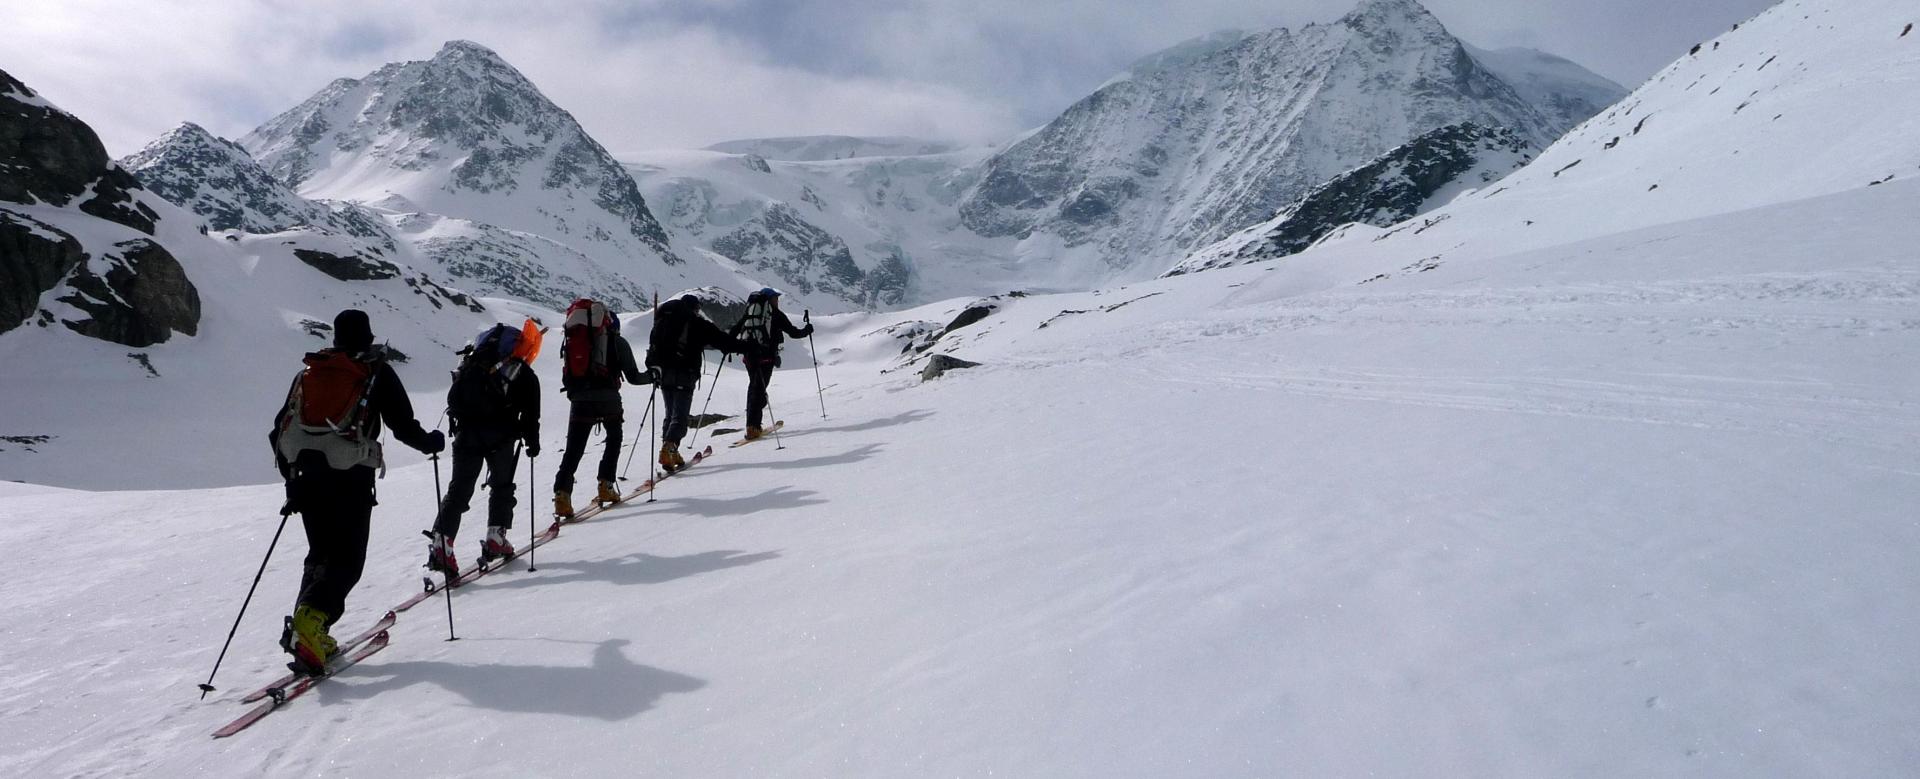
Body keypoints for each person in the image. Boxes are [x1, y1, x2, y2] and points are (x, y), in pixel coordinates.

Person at [270, 309, 444, 672]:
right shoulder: (374, 371)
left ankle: (310, 631)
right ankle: (311, 622)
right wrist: (432, 443)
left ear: (335, 337)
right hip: (349, 476)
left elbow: (278, 428)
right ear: (367, 335)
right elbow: (402, 425)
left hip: (306, 476)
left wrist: (292, 481)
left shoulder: (311, 371)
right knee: (347, 559)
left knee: (320, 554)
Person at [426, 322, 541, 577]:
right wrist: (533, 442)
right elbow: (531, 415)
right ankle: (496, 538)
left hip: (466, 434)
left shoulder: (471, 365)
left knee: (458, 490)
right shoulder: (521, 371)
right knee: (501, 486)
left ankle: (441, 545)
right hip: (500, 438)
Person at [552, 300, 649, 518]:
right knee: (614, 439)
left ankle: (562, 495)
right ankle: (606, 485)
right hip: (609, 400)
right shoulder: (617, 342)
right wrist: (654, 375)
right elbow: (633, 377)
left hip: (580, 401)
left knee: (574, 449)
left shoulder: (574, 340)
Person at [646, 295, 746, 471]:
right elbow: (722, 340)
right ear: (694, 308)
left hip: (664, 374)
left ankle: (670, 451)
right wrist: (747, 347)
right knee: (680, 417)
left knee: (670, 414)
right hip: (684, 374)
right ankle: (669, 448)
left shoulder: (662, 321)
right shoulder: (696, 323)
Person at [729, 288, 813, 439]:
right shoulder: (776, 315)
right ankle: (753, 427)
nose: (777, 301)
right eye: (775, 298)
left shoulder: (750, 313)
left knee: (754, 388)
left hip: (749, 358)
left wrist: (728, 345)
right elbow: (793, 333)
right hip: (766, 359)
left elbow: (735, 330)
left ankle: (752, 424)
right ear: (769, 300)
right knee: (758, 390)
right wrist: (807, 330)